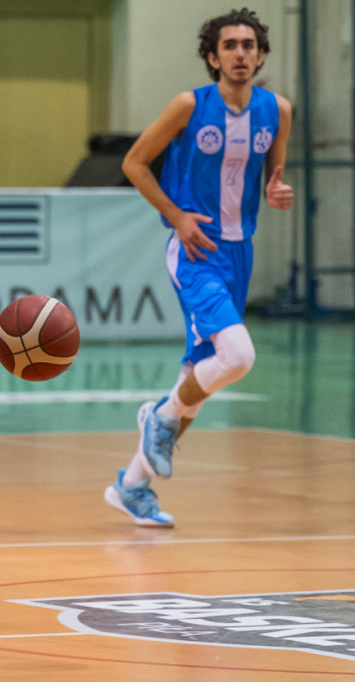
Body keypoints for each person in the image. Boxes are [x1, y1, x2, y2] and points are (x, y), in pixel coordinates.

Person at [105, 8, 293, 527]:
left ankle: (132, 485)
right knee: (237, 355)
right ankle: (157, 416)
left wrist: (276, 191)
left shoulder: (277, 109)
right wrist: (175, 215)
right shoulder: (190, 105)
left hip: (241, 251)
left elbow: (272, 175)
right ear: (213, 57)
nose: (240, 53)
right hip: (195, 249)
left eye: (248, 45)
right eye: (229, 45)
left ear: (260, 55)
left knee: (198, 378)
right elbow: (134, 162)